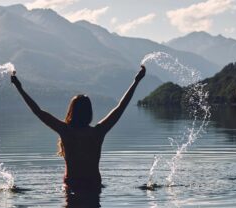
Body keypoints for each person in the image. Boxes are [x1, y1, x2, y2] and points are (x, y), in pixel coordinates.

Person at [11, 66, 146, 190]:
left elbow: (38, 111)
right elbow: (120, 107)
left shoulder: (65, 131)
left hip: (72, 186)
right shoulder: (98, 132)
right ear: (89, 112)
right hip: (93, 186)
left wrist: (19, 88)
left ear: (71, 111)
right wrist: (136, 81)